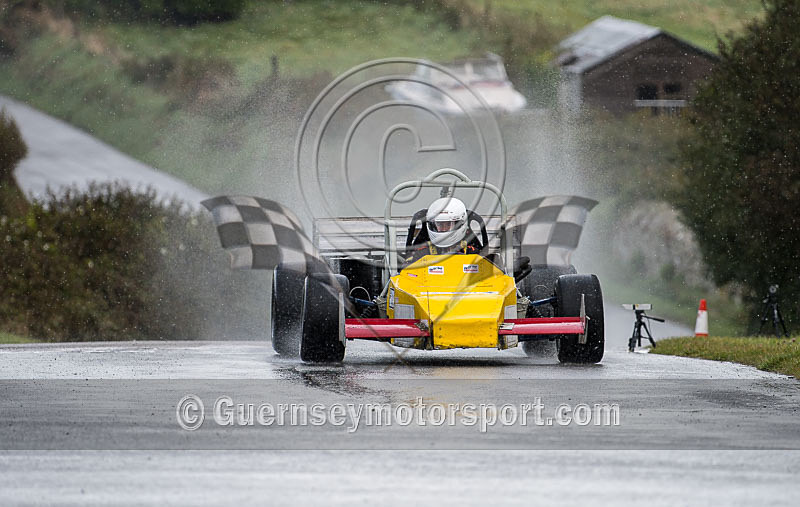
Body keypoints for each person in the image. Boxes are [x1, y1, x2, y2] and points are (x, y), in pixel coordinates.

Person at [407, 197, 482, 261]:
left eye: (448, 224)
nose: (443, 228)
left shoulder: (471, 252)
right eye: (439, 224)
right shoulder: (422, 253)